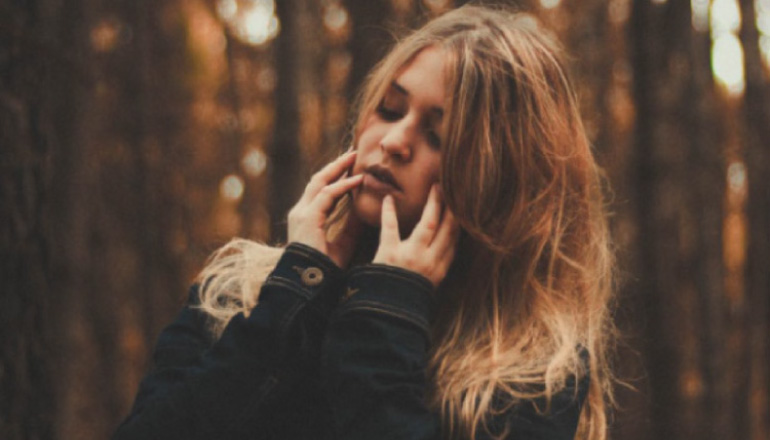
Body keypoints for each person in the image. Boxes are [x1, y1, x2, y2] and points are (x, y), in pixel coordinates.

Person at [113, 5, 616, 440]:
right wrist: (294, 294)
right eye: (390, 109)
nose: (394, 141)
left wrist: (385, 322)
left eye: (439, 136)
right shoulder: (235, 291)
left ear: (500, 183)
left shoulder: (531, 377)